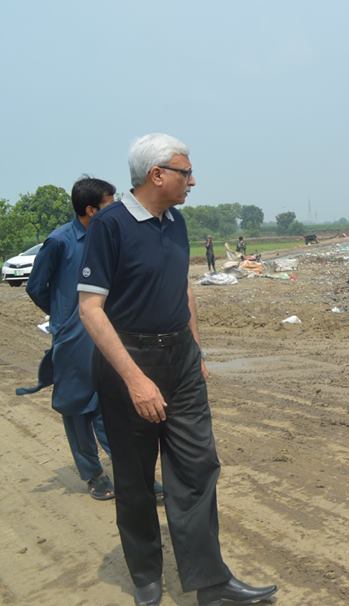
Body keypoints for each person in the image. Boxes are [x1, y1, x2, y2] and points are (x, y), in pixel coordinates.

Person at [78, 134, 278, 606]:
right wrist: (135, 379)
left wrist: (197, 351)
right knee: (133, 477)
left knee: (196, 468)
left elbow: (181, 287)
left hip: (181, 359)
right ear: (158, 175)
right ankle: (147, 578)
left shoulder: (177, 220)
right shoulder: (110, 225)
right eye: (187, 172)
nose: (194, 180)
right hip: (129, 362)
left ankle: (211, 583)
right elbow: (90, 309)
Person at [26, 177, 117, 500]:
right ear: (91, 210)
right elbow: (36, 286)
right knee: (77, 406)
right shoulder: (60, 242)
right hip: (73, 337)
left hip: (106, 332)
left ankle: (129, 472)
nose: (116, 208)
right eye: (110, 203)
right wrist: (63, 317)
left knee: (110, 403)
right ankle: (93, 475)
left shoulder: (108, 238)